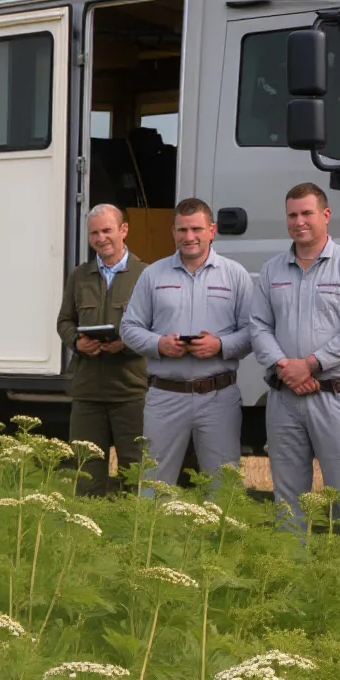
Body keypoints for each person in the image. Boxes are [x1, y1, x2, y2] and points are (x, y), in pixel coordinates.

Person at [246, 183, 340, 528]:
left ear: (326, 215)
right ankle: (292, 572)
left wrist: (311, 365)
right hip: (284, 397)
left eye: (307, 213)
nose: (299, 221)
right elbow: (258, 325)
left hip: (334, 396)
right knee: (288, 497)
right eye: (292, 214)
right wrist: (283, 366)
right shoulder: (272, 270)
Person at [119, 197, 254, 489]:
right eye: (182, 230)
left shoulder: (235, 276)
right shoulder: (153, 275)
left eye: (196, 229)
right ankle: (155, 536)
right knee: (154, 484)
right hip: (165, 396)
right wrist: (159, 344)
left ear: (212, 230)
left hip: (218, 396)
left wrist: (220, 346)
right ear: (173, 232)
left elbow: (253, 332)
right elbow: (128, 328)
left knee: (224, 486)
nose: (189, 237)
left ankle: (223, 536)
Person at [56, 202, 148, 495]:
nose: (100, 238)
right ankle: (86, 538)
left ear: (123, 230)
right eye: (94, 233)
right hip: (87, 393)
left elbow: (158, 327)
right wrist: (77, 342)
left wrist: (126, 343)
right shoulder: (79, 276)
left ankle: (130, 536)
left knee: (135, 475)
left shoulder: (146, 275)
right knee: (86, 475)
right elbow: (64, 321)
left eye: (107, 230)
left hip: (131, 392)